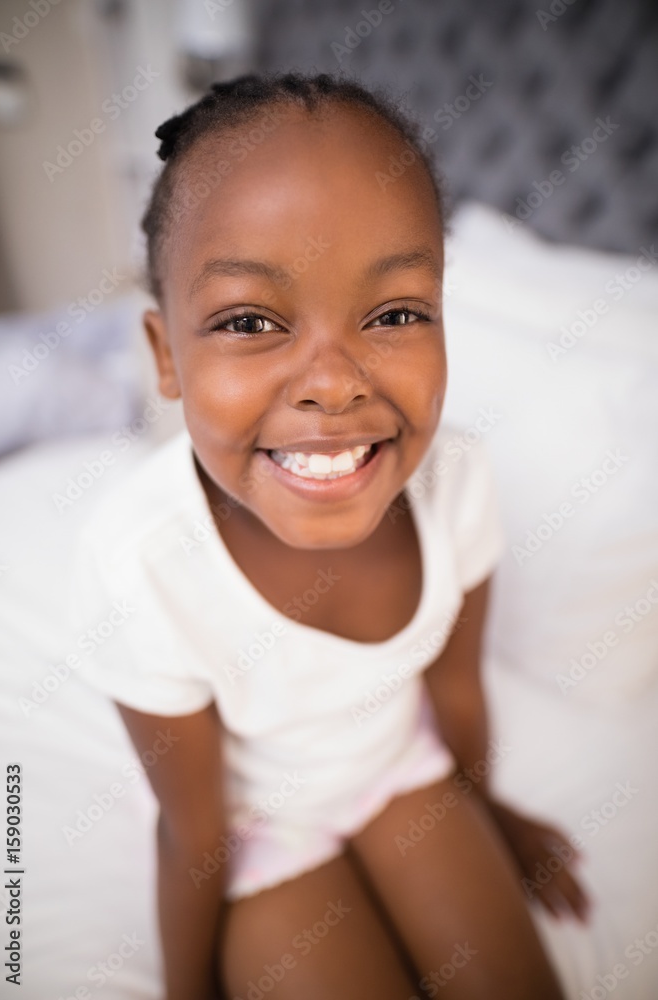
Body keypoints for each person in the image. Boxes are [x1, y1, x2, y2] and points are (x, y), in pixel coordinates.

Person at [69, 72, 588, 1000]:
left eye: (394, 314)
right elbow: (192, 831)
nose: (334, 384)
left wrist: (489, 812)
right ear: (165, 359)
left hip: (402, 773)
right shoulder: (140, 566)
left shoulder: (456, 481)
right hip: (263, 834)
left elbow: (457, 689)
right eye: (249, 321)